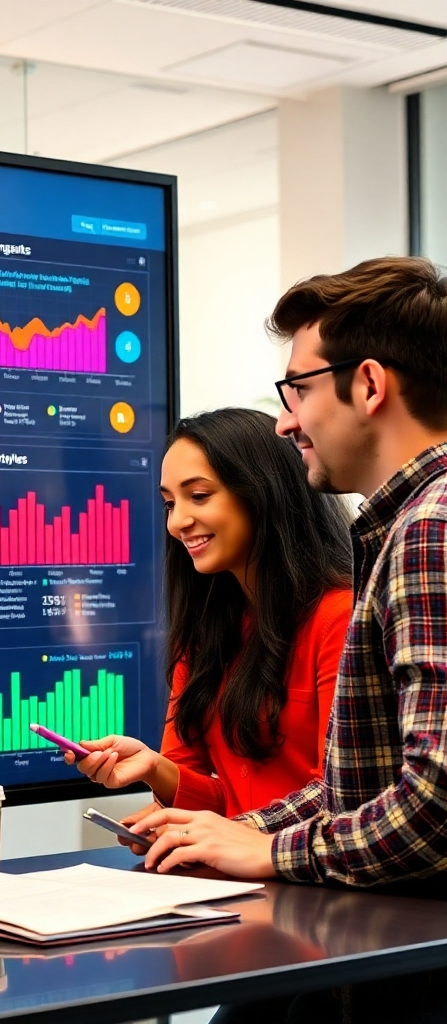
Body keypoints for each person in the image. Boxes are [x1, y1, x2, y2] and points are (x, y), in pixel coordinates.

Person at [132, 260, 447, 1024]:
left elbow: (435, 802)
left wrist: (271, 851)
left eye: (298, 389)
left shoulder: (429, 532)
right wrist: (241, 832)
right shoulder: (403, 527)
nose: (285, 420)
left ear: (369, 385)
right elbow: (362, 789)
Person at [66, 408, 352, 818]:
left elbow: (344, 800)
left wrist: (232, 833)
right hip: (242, 870)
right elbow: (230, 806)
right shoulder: (208, 628)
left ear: (263, 492)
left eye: (198, 496)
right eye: (169, 503)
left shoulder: (339, 617)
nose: (178, 522)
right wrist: (156, 770)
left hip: (316, 872)